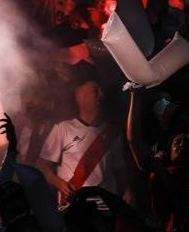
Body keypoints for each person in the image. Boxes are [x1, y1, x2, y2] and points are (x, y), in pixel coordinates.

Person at [35, 76, 127, 205]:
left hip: (105, 205)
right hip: (73, 205)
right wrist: (60, 184)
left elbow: (120, 169)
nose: (101, 94)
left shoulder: (113, 132)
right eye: (95, 90)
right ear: (80, 96)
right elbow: (42, 165)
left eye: (101, 90)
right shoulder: (63, 129)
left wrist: (128, 191)